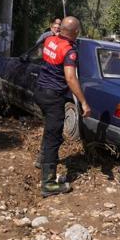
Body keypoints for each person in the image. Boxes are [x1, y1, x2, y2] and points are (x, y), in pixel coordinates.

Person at [34, 16, 91, 197]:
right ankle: (48, 184)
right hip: (53, 97)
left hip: (40, 91)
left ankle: (41, 161)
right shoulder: (69, 51)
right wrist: (83, 102)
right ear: (75, 32)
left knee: (50, 129)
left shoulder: (50, 40)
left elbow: (46, 56)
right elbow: (70, 78)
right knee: (54, 137)